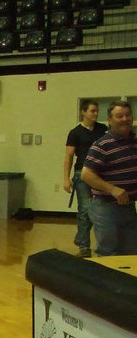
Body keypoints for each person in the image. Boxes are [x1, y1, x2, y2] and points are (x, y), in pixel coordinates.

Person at [81, 101, 137, 255]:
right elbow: (86, 174)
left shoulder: (134, 142)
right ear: (110, 121)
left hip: (129, 207)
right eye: (119, 116)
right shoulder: (102, 145)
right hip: (106, 208)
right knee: (108, 253)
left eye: (128, 115)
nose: (125, 119)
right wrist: (112, 189)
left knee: (131, 253)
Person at [63, 99, 106, 256]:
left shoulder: (102, 129)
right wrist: (66, 178)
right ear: (83, 112)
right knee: (85, 209)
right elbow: (68, 156)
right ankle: (84, 247)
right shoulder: (75, 133)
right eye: (92, 111)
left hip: (100, 174)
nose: (95, 113)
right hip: (81, 173)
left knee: (98, 208)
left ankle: (81, 237)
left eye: (96, 111)